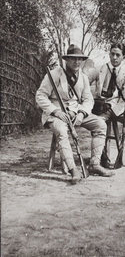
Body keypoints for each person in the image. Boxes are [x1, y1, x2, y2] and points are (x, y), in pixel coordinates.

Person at [36, 44, 114, 185]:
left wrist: (82, 114)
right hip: (56, 113)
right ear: (66, 60)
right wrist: (55, 111)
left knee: (100, 125)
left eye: (79, 59)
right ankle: (73, 169)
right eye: (73, 59)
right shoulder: (55, 74)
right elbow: (40, 96)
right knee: (61, 130)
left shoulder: (83, 77)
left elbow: (88, 99)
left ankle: (95, 164)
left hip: (76, 112)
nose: (77, 62)